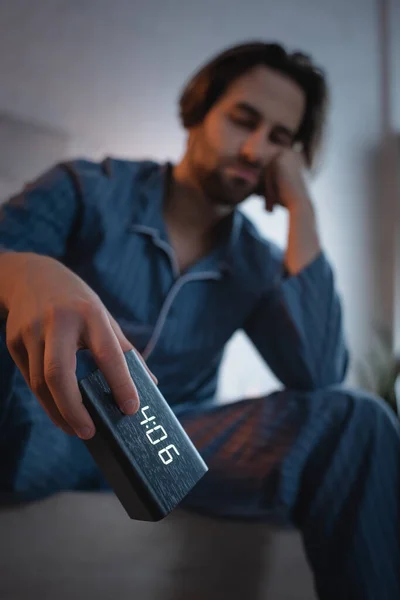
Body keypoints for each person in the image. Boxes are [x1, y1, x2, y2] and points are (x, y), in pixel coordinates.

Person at [0, 41, 399, 599]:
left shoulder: (257, 263)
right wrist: (23, 272)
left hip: (176, 440)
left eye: (280, 139)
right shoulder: (87, 190)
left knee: (359, 418)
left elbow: (318, 374)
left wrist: (302, 211)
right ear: (198, 110)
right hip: (45, 419)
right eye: (244, 119)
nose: (257, 148)